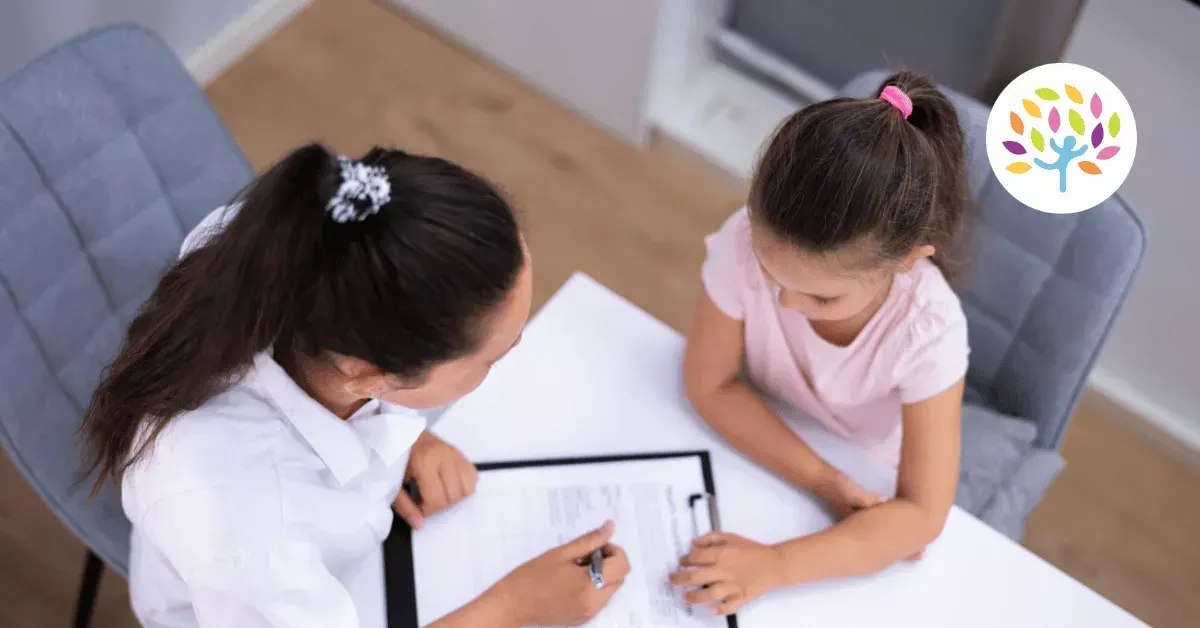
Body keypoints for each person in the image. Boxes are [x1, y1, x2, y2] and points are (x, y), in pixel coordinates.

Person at [80, 144, 630, 627]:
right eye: (493, 357)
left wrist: (404, 435)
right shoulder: (244, 522)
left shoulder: (297, 248)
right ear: (367, 372)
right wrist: (515, 607)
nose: (514, 355)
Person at [674, 71, 970, 615]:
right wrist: (821, 480)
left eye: (822, 299)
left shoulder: (930, 331)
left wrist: (776, 566)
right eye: (771, 276)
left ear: (905, 264)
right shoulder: (745, 241)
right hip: (781, 435)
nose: (786, 306)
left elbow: (922, 516)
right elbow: (708, 383)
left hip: (866, 468)